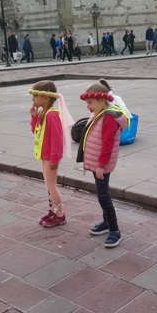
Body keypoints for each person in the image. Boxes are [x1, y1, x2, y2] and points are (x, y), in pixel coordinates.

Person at [77, 81, 130, 248]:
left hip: (102, 163)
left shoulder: (108, 117)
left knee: (103, 196)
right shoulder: (99, 112)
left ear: (101, 100)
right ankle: (106, 222)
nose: (88, 106)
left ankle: (114, 230)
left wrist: (101, 165)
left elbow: (108, 144)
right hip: (97, 161)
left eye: (90, 102)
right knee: (102, 193)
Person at [28, 81, 74, 228]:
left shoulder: (52, 115)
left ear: (46, 98)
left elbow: (57, 138)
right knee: (48, 184)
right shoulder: (43, 113)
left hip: (50, 156)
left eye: (35, 95)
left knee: (51, 185)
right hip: (45, 155)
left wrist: (55, 158)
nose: (32, 99)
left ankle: (60, 214)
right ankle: (52, 210)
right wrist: (34, 116)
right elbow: (36, 131)